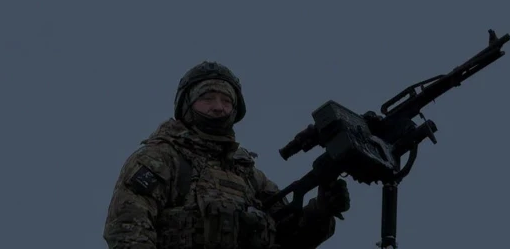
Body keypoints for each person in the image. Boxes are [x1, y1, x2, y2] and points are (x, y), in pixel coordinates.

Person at [103, 61, 350, 249]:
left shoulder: (248, 175)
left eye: (226, 101)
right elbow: (126, 226)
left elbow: (290, 238)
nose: (218, 107)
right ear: (187, 106)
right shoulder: (162, 158)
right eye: (207, 98)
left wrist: (322, 210)